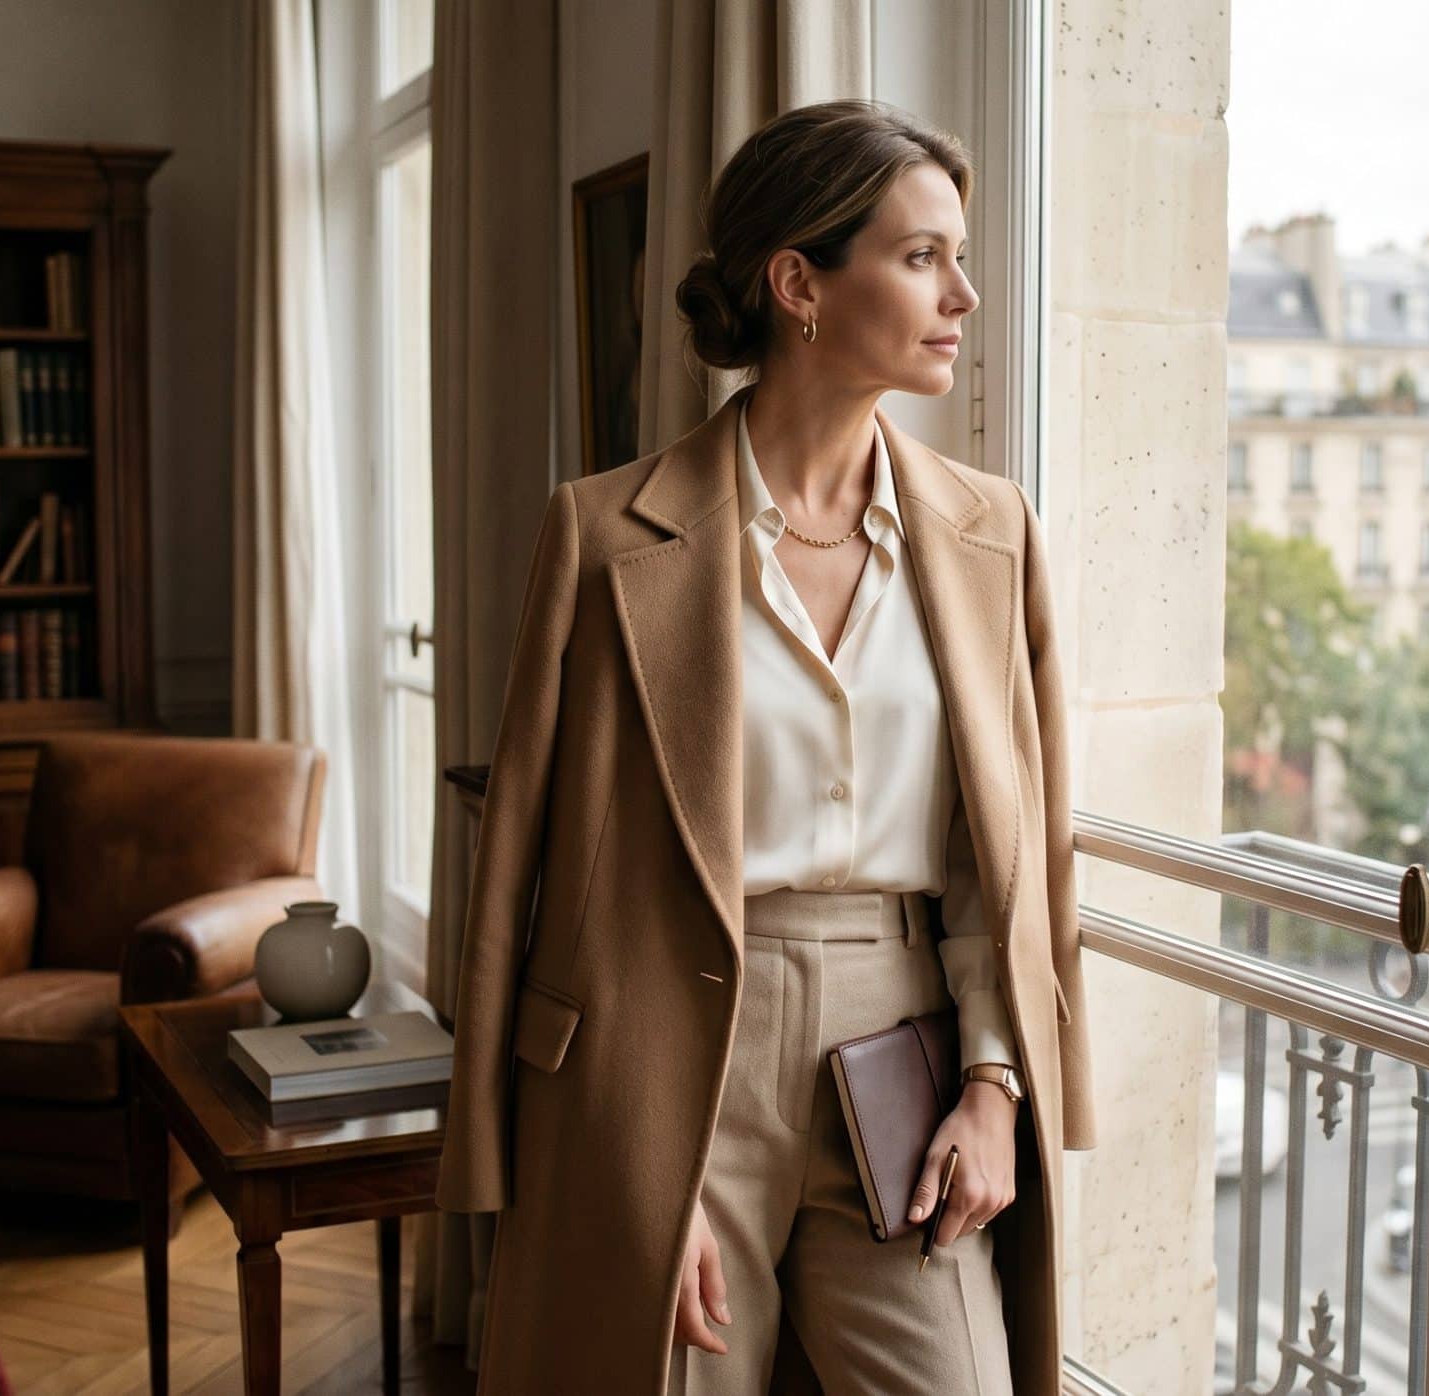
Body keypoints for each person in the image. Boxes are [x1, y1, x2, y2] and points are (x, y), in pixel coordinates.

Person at [435, 98, 1095, 1395]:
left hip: (907, 1046)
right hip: (675, 1064)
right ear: (798, 283)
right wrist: (624, 1180)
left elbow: (1013, 852)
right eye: (921, 258)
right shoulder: (605, 538)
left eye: (958, 257)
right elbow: (537, 874)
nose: (964, 293)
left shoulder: (989, 531)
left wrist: (999, 1085)